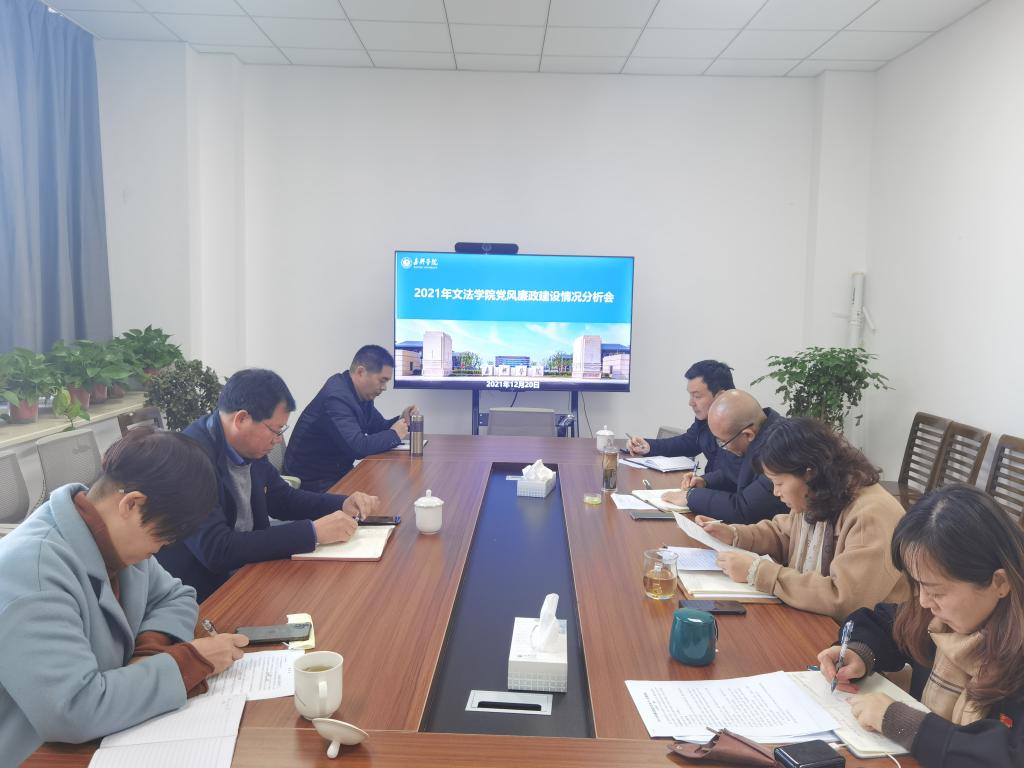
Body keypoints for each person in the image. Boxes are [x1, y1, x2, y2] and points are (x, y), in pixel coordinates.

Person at [0, 428, 250, 765]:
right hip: (37, 754)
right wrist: (188, 662)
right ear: (131, 504)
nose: (159, 550)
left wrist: (149, 652)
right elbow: (73, 709)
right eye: (162, 538)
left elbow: (176, 596)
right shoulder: (31, 572)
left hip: (106, 735)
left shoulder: (110, 539)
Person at [817, 485, 1024, 767]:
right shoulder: (938, 620)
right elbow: (885, 624)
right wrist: (859, 651)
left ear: (999, 583)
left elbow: (1010, 756)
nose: (924, 601)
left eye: (937, 591)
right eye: (917, 585)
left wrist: (901, 722)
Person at [157, 369, 380, 601]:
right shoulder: (188, 460)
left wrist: (342, 503)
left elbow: (283, 499)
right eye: (275, 430)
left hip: (252, 572)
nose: (277, 440)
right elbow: (217, 549)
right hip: (208, 594)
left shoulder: (247, 448)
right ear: (241, 419)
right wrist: (312, 533)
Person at [695, 417, 908, 620]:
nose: (776, 492)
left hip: (869, 636)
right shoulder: (821, 492)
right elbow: (783, 534)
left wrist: (757, 572)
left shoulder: (870, 516)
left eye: (779, 483)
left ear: (809, 473)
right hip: (817, 621)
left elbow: (845, 600)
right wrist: (734, 534)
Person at [285, 345, 419, 492]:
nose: (384, 387)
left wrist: (401, 420)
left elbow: (379, 427)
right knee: (383, 495)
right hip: (311, 484)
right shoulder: (336, 398)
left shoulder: (360, 394)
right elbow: (358, 447)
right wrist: (394, 434)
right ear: (361, 372)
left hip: (335, 474)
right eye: (382, 380)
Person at [663, 389, 788, 524]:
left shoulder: (781, 449)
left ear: (748, 434)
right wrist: (705, 481)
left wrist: (691, 496)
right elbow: (735, 473)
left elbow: (745, 509)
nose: (724, 447)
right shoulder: (760, 432)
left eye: (723, 442)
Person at [625, 359, 739, 478]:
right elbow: (688, 442)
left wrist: (701, 483)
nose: (691, 403)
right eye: (691, 395)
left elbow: (728, 478)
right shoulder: (705, 419)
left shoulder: (739, 427)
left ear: (720, 396)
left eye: (697, 396)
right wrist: (648, 446)